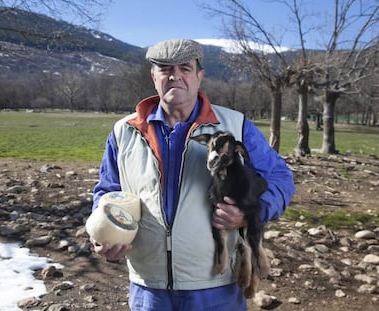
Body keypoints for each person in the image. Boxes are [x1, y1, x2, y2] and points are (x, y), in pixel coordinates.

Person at [91, 38, 295, 311]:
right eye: (165, 69)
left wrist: (251, 212)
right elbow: (107, 191)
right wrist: (103, 232)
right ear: (154, 77)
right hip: (148, 288)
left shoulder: (235, 125)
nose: (175, 75)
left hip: (215, 287)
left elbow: (281, 178)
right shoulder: (124, 132)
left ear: (199, 76)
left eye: (185, 68)